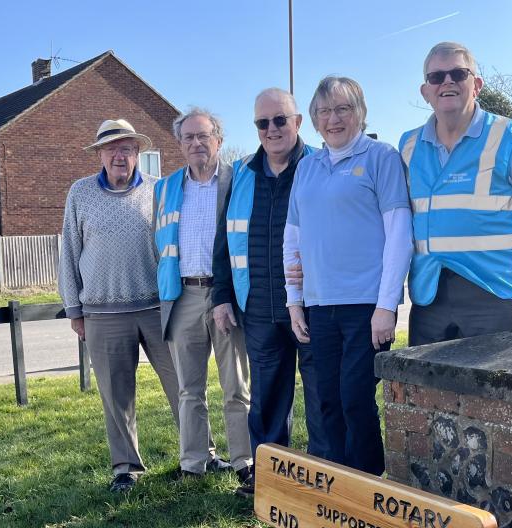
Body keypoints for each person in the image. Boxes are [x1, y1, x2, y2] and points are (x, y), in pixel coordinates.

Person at [285, 76, 411, 476]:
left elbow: (399, 235)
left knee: (356, 399)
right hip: (320, 305)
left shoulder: (381, 157)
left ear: (360, 113)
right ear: (314, 119)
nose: (333, 118)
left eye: (343, 109)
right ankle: (339, 489)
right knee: (327, 402)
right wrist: (294, 299)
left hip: (366, 307)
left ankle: (369, 487)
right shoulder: (306, 167)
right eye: (324, 111)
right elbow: (294, 238)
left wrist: (386, 306)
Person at [212, 88, 328, 496]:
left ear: (298, 122)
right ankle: (271, 480)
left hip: (315, 306)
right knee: (266, 401)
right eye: (263, 123)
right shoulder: (240, 174)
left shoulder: (321, 165)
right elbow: (224, 242)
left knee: (321, 398)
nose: (272, 129)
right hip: (259, 307)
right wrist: (221, 295)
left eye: (281, 120)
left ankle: (321, 482)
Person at [58, 118, 180, 493]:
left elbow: (174, 248)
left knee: (184, 385)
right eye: (111, 148)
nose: (119, 155)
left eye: (126, 148)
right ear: (99, 154)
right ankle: (126, 468)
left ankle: (200, 454)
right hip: (102, 313)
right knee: (116, 396)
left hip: (159, 309)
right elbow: (68, 252)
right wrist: (74, 309)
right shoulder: (80, 193)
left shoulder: (159, 192)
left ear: (138, 153)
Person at [399, 41, 512, 346]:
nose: (447, 82)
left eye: (458, 73)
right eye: (436, 77)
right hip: (429, 297)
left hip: (494, 293)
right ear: (426, 91)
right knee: (427, 393)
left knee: (495, 393)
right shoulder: (408, 146)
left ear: (476, 85)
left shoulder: (510, 137)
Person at [153, 108, 251, 481]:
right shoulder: (165, 189)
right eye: (188, 137)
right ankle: (194, 463)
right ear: (179, 144)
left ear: (218, 140)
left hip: (226, 294)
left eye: (203, 135)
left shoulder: (238, 180)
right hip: (183, 297)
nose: (196, 143)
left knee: (235, 386)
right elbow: (157, 244)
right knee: (188, 389)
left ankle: (245, 462)